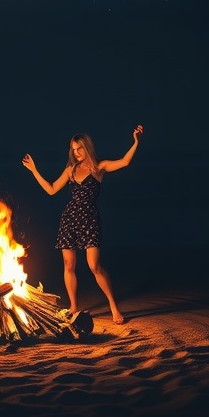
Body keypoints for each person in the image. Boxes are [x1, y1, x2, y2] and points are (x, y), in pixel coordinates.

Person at [22, 124, 144, 325]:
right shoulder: (71, 169)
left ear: (87, 147)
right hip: (69, 218)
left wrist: (136, 142)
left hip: (89, 218)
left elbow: (125, 162)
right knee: (69, 265)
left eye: (80, 148)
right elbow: (52, 189)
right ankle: (73, 307)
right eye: (73, 149)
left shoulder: (99, 167)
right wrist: (34, 170)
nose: (76, 152)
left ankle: (113, 305)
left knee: (94, 266)